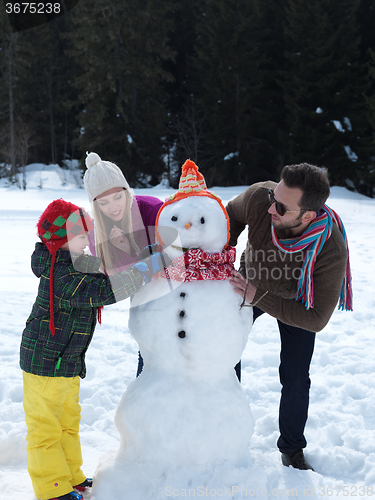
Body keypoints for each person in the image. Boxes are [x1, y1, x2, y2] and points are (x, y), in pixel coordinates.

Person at [20, 199, 168, 500]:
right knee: (45, 429)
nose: (86, 242)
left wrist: (141, 257)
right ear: (63, 241)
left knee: (67, 422)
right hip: (45, 364)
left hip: (65, 363)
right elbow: (104, 289)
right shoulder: (61, 274)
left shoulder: (71, 260)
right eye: (80, 236)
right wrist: (146, 269)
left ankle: (69, 475)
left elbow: (106, 269)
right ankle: (51, 488)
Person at [227, 163, 352, 471]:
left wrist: (259, 296)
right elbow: (229, 215)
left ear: (308, 215)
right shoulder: (260, 199)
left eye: (281, 207)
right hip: (247, 284)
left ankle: (292, 448)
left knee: (296, 377)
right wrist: (222, 251)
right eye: (273, 196)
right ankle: (224, 431)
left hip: (296, 300)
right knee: (224, 358)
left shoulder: (330, 248)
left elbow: (317, 318)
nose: (271, 208)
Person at [83, 152, 163, 375]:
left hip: (179, 296)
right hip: (146, 307)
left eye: (118, 197)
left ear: (126, 190)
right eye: (104, 202)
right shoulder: (96, 235)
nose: (113, 207)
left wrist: (138, 256)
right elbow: (117, 284)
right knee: (150, 365)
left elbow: (175, 254)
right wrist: (126, 250)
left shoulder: (153, 209)